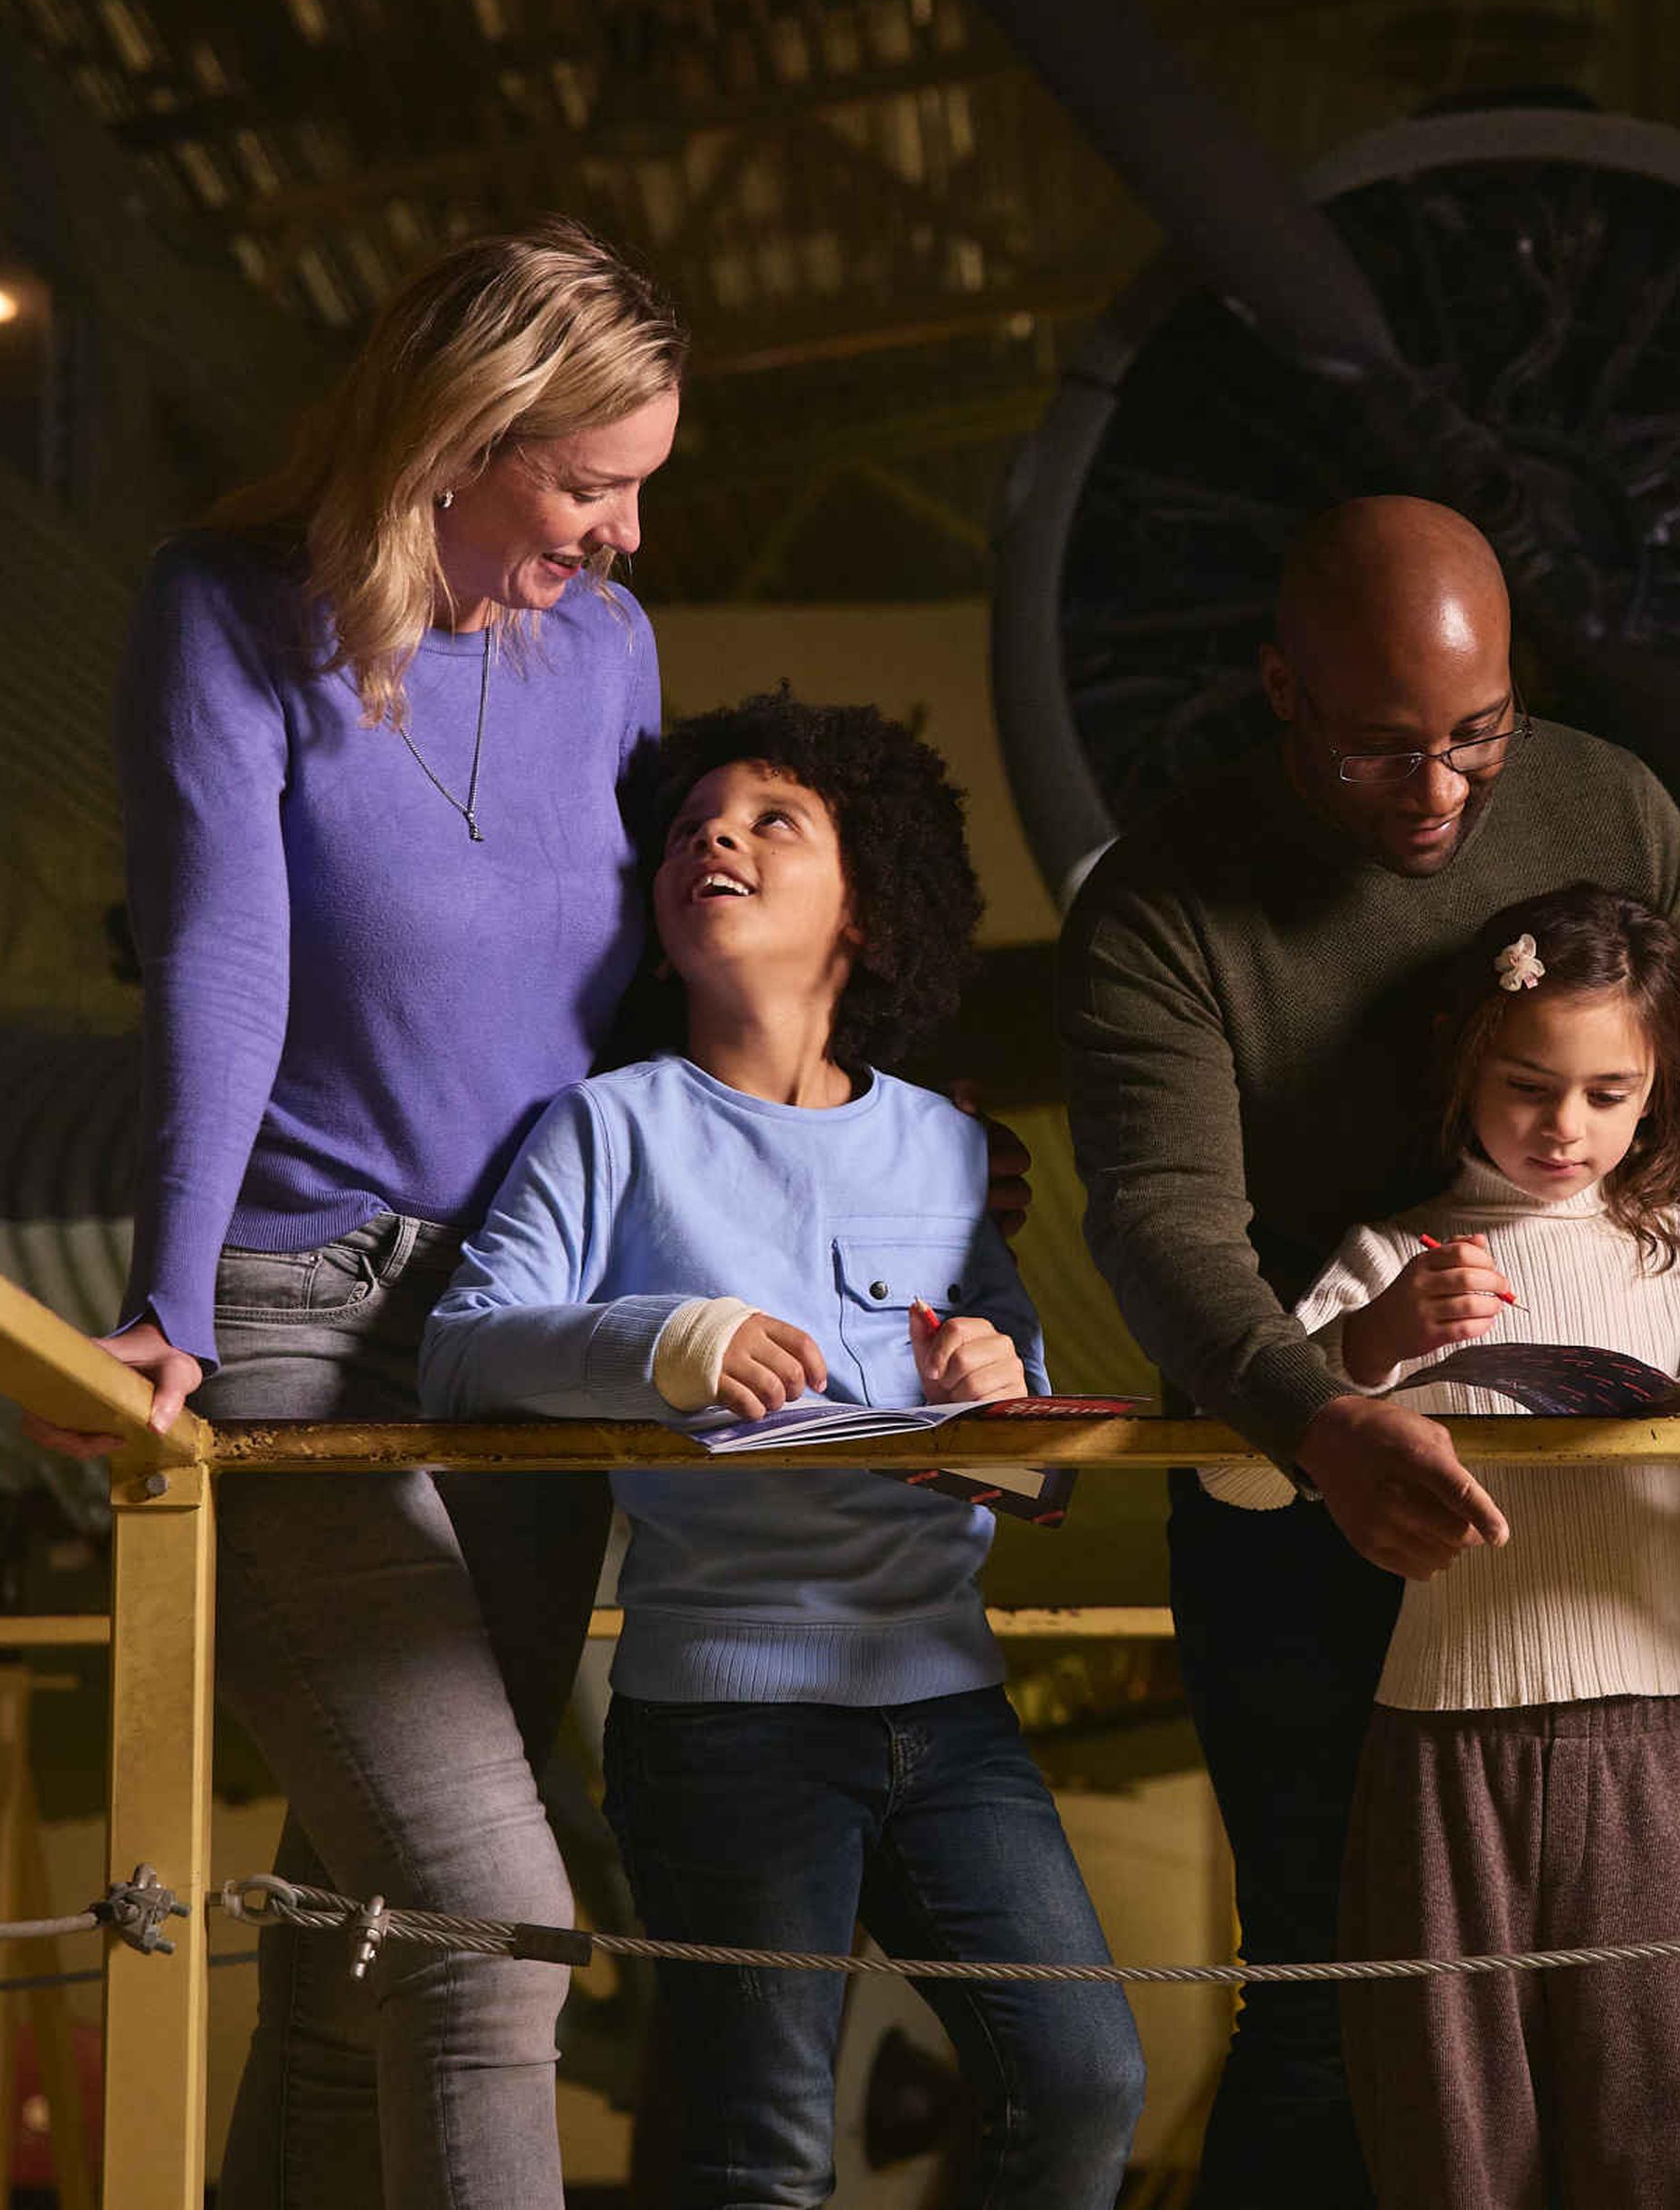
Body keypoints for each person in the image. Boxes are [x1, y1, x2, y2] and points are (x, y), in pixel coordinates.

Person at [1058, 494, 1680, 2202]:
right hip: (1298, 1451)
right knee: (1325, 2019)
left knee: (1638, 2061)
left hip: (1596, 1590)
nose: (1438, 794)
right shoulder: (1161, 897)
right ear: (1280, 689)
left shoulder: (1608, 802)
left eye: (1478, 738)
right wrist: (1321, 1418)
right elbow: (1160, 1224)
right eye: (1379, 752)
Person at [45, 220, 682, 2210]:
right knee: (493, 1926)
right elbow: (220, 960)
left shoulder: (613, 653)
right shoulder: (229, 613)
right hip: (306, 1312)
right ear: (461, 432)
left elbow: (667, 992)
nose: (625, 534)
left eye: (643, 486)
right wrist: (171, 1304)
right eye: (590, 484)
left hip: (534, 1330)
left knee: (352, 1956)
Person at [422, 693, 1145, 2209]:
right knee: (765, 2157)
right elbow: (463, 1350)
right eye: (690, 831)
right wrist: (663, 1340)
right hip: (722, 1724)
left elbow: (1049, 1455)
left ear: (867, 910)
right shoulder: (606, 1130)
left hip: (950, 1708)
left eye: (770, 823)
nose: (715, 844)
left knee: (1085, 2086)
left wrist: (997, 1383)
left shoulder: (948, 1147)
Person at [1200, 884, 1680, 2208]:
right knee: (1450, 2139)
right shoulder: (1391, 1253)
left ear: (1658, 1093)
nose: (1564, 1128)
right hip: (1435, 1743)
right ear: (1468, 1061)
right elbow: (1235, 1477)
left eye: (1609, 1093)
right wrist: (1373, 1342)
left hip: (1659, 1738)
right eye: (1526, 1084)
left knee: (1664, 2131)